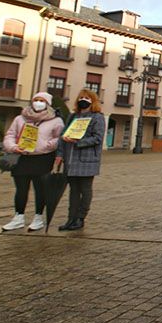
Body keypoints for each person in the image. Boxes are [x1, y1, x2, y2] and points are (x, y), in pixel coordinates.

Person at [0, 92, 65, 231]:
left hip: (42, 158)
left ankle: (38, 217)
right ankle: (18, 217)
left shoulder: (56, 121)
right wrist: (13, 147)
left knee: (40, 189)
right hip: (21, 157)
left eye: (42, 100)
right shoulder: (20, 118)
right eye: (36, 100)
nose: (38, 103)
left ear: (48, 104)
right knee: (21, 189)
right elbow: (10, 135)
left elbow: (59, 138)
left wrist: (47, 145)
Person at [55, 90, 105, 231]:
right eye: (81, 97)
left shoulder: (97, 117)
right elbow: (63, 136)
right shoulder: (73, 116)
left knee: (85, 189)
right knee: (73, 191)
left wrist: (78, 141)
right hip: (70, 159)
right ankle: (71, 218)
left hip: (86, 160)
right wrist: (60, 154)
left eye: (87, 98)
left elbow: (97, 138)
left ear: (93, 101)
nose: (83, 100)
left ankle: (80, 218)